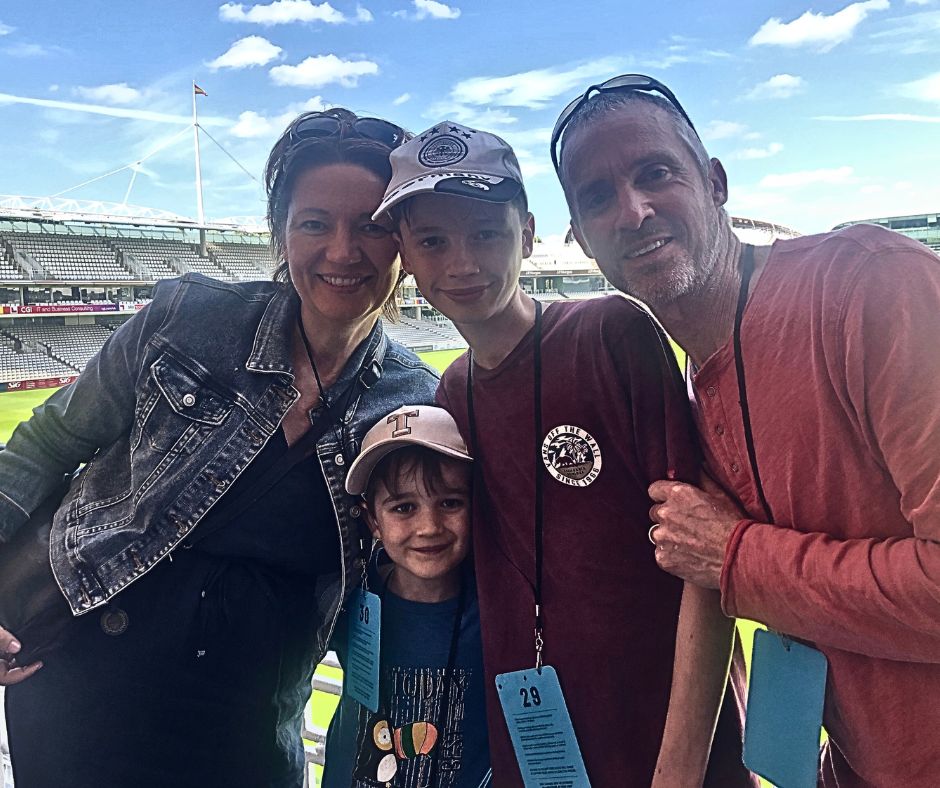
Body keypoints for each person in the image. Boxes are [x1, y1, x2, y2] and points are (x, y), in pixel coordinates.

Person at [0, 108, 439, 788]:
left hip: (247, 731)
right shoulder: (188, 319)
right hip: (79, 693)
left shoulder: (415, 405)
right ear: (282, 233)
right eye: (315, 223)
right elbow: (43, 444)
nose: (342, 251)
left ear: (404, 243)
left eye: (373, 226)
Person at [552, 73, 940, 787]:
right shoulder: (691, 385)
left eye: (655, 173)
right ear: (580, 239)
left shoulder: (868, 288)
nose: (633, 211)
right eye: (598, 197)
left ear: (716, 183)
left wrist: (736, 558)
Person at [374, 121, 755, 786]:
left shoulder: (610, 333)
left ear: (526, 234)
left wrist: (680, 769)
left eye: (486, 234)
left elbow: (703, 560)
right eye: (433, 240)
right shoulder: (454, 392)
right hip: (540, 746)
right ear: (405, 253)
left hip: (663, 743)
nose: (462, 263)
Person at [322, 404, 490, 788]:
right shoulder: (346, 597)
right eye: (404, 507)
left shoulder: (499, 608)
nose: (429, 527)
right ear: (372, 520)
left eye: (450, 502)